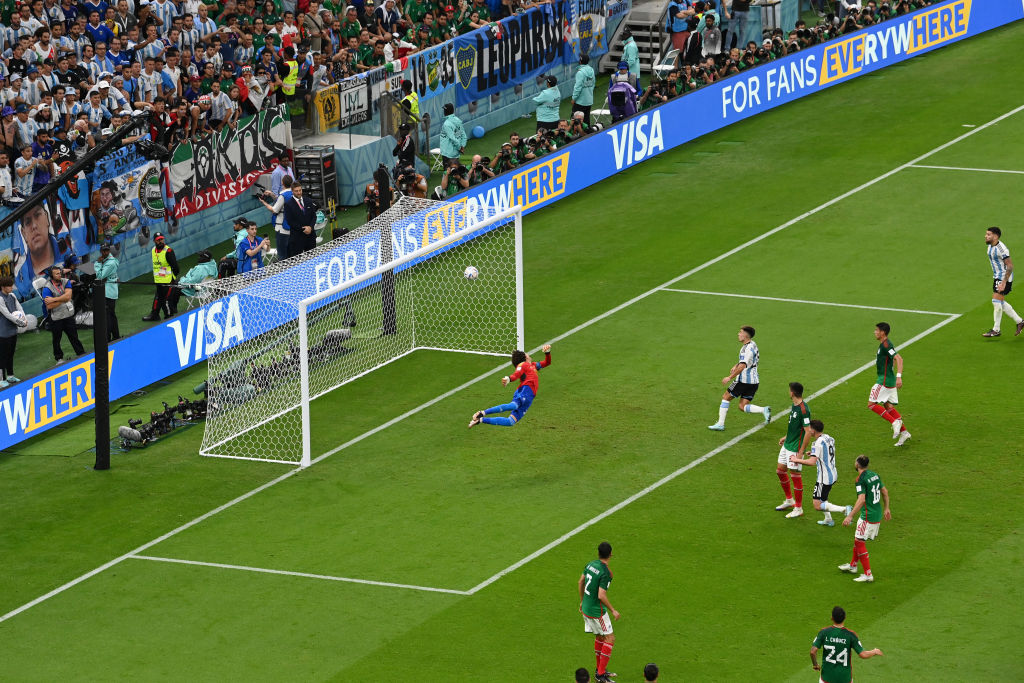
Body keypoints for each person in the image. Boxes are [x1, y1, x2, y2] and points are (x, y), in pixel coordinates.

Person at [469, 344, 552, 427]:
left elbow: (547, 362)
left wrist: (547, 352)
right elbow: (516, 374)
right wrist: (509, 379)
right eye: (526, 353)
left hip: (529, 396)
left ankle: (480, 420)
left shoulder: (533, 365)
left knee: (510, 421)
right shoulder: (523, 364)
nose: (528, 353)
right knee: (513, 406)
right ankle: (483, 413)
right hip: (526, 390)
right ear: (524, 357)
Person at [838, 456, 891, 583]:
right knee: (858, 540)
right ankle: (853, 566)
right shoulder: (875, 475)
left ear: (857, 464)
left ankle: (868, 574)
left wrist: (850, 516)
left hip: (868, 515)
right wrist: (887, 508)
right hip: (877, 513)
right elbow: (884, 491)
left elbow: (861, 499)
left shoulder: (860, 480)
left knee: (860, 542)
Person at [708, 325, 769, 431]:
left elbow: (743, 366)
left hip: (743, 380)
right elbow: (746, 361)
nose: (738, 334)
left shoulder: (747, 348)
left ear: (745, 335)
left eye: (740, 332)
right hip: (754, 381)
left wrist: (730, 377)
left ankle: (720, 424)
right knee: (742, 406)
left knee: (726, 397)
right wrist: (736, 365)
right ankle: (763, 410)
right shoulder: (753, 344)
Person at [789, 420, 849, 527]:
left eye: (809, 428)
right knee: (823, 498)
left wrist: (796, 460)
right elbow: (827, 452)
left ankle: (844, 509)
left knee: (817, 504)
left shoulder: (817, 444)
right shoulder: (828, 437)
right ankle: (828, 519)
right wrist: (813, 453)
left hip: (824, 478)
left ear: (813, 430)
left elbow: (812, 462)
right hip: (833, 474)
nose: (808, 430)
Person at [578, 541, 619, 683]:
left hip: (586, 609)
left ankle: (599, 670)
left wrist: (582, 601)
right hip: (597, 611)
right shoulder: (605, 573)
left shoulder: (590, 564)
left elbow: (580, 582)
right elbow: (601, 595)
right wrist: (613, 610)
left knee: (600, 637)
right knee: (610, 638)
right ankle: (600, 675)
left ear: (598, 553)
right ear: (611, 554)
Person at [810, 606, 884, 682]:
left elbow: (812, 652)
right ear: (845, 617)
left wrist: (815, 665)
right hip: (845, 679)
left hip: (826, 679)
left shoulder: (824, 632)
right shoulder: (850, 635)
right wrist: (874, 651)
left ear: (832, 618)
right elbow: (863, 654)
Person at [867, 322, 911, 447]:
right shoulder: (884, 344)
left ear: (883, 332)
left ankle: (894, 422)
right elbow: (892, 360)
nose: (875, 332)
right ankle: (904, 432)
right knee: (888, 406)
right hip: (888, 379)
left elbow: (899, 359)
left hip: (884, 381)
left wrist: (899, 377)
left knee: (871, 404)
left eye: (877, 330)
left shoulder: (886, 345)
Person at [775, 381, 812, 518]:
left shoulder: (804, 410)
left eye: (789, 390)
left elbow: (808, 431)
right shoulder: (794, 406)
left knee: (795, 475)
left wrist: (801, 452)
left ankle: (799, 508)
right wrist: (786, 437)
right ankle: (789, 500)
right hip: (788, 444)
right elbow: (796, 427)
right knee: (780, 471)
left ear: (792, 392)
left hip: (796, 448)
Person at [982, 226, 1022, 337]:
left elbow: (1010, 266)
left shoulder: (1002, 249)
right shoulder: (990, 246)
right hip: (997, 276)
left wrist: (1004, 282)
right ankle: (1020, 321)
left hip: (1004, 277)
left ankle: (996, 330)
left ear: (995, 236)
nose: (986, 236)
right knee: (1000, 302)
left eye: (988, 234)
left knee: (996, 301)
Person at [41, 264, 85, 365]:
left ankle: (81, 353)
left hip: (68, 315)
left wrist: (54, 299)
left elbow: (69, 296)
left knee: (74, 337)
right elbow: (49, 306)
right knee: (56, 340)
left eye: (59, 273)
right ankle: (59, 358)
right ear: (51, 276)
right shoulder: (47, 288)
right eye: (56, 274)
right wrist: (63, 298)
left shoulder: (66, 281)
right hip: (56, 318)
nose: (59, 275)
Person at [142, 231, 180, 321]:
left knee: (166, 300)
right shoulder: (153, 250)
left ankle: (169, 316)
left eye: (161, 239)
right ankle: (155, 315)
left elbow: (176, 268)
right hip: (158, 280)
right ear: (155, 241)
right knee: (158, 298)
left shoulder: (169, 251)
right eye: (158, 240)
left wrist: (171, 278)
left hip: (168, 281)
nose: (160, 241)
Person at [0, 275, 29, 387]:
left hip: (13, 331)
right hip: (3, 333)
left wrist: (24, 318)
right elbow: (7, 314)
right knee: (2, 356)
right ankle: (2, 380)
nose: (11, 288)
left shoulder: (12, 296)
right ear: (3, 287)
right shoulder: (0, 299)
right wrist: (21, 323)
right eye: (9, 286)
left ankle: (10, 376)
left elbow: (19, 308)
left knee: (11, 354)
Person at [92, 242, 120, 341]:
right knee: (111, 315)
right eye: (104, 250)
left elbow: (100, 276)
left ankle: (108, 338)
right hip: (108, 291)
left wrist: (98, 263)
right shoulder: (107, 260)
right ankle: (116, 336)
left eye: (107, 250)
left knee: (107, 316)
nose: (105, 252)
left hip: (108, 292)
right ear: (101, 251)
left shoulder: (110, 262)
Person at [261, 174, 293, 257]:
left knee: (282, 255)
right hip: (292, 227)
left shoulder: (283, 195)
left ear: (282, 183)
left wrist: (264, 202)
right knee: (291, 253)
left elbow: (274, 209)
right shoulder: (293, 193)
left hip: (282, 229)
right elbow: (281, 202)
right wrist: (272, 194)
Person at [284, 181, 319, 256]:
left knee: (312, 258)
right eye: (296, 191)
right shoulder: (288, 204)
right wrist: (303, 229)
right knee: (297, 261)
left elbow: (314, 216)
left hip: (310, 236)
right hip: (297, 238)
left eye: (300, 190)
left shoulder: (308, 201)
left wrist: (310, 227)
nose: (299, 192)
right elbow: (290, 221)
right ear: (292, 191)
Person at [438, 102, 466, 167]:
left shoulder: (446, 124)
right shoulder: (458, 120)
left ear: (445, 111)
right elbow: (463, 136)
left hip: (448, 153)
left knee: (448, 173)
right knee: (455, 172)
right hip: (456, 153)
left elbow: (453, 138)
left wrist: (459, 148)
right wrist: (462, 146)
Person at [571, 54, 595, 126]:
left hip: (580, 101)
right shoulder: (591, 70)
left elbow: (578, 87)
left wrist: (574, 98)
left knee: (575, 121)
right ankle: (588, 135)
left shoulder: (580, 72)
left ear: (580, 61)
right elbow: (593, 84)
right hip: (589, 100)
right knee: (586, 120)